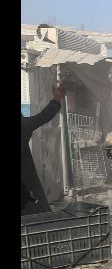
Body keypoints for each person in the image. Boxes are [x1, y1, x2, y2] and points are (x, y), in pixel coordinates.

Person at [21, 85, 65, 215]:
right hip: (25, 175)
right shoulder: (23, 125)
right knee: (33, 205)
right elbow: (44, 116)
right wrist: (57, 98)